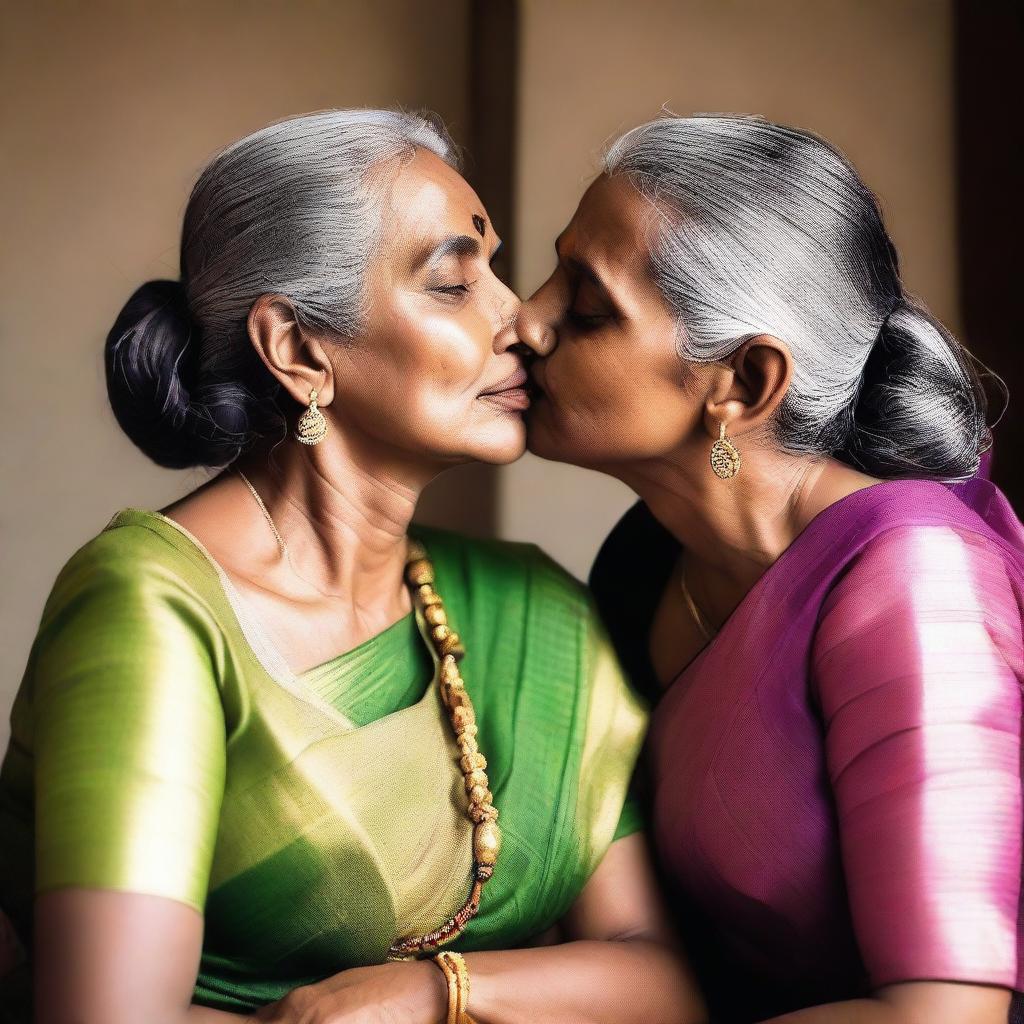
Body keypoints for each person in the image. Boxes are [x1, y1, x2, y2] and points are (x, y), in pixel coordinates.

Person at [0, 109, 706, 1024]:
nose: (521, 320)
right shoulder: (156, 606)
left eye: (493, 269)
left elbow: (663, 986)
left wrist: (433, 993)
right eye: (455, 283)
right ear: (297, 350)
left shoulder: (533, 609)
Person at [516, 113, 1023, 1024]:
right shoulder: (642, 562)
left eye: (585, 307)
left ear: (744, 382)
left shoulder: (915, 578)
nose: (526, 319)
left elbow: (942, 1019)